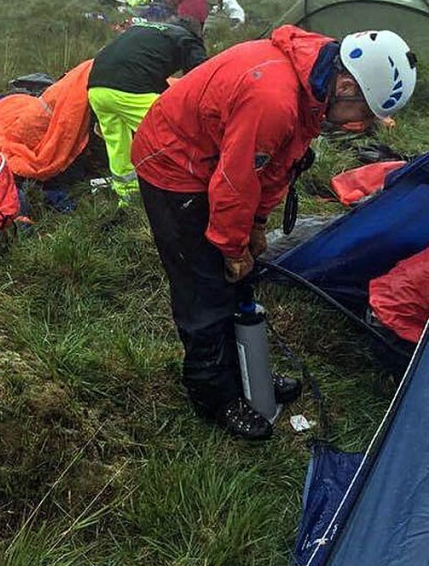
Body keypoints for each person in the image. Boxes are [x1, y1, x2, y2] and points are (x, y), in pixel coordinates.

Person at [132, 24, 417, 440]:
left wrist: (258, 225)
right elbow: (236, 181)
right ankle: (215, 396)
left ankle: (248, 373)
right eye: (364, 115)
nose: (359, 126)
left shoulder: (312, 85)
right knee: (205, 286)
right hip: (174, 163)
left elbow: (274, 165)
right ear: (346, 84)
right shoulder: (274, 98)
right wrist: (231, 247)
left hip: (217, 161)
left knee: (240, 279)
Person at [88, 17, 206, 202]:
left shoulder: (144, 28)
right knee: (177, 135)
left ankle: (128, 197)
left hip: (97, 88)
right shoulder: (186, 38)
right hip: (131, 89)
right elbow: (202, 78)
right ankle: (184, 192)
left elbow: (144, 66)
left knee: (118, 145)